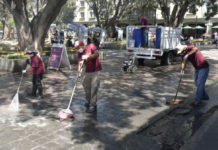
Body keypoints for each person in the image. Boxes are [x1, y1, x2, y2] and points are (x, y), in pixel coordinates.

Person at [176, 41, 209, 107]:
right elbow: (183, 62)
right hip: (197, 68)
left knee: (200, 83)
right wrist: (182, 70)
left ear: (184, 49)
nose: (181, 54)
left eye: (181, 52)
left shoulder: (189, 48)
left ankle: (197, 101)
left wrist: (187, 55)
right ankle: (205, 96)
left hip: (204, 67)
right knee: (197, 83)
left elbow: (195, 49)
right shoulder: (183, 54)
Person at [73, 40, 102, 113]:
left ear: (82, 45)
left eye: (78, 47)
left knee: (94, 87)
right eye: (76, 48)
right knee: (86, 88)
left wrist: (88, 56)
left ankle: (93, 104)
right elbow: (80, 63)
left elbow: (97, 54)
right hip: (87, 71)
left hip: (95, 70)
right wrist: (78, 73)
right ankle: (88, 101)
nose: (77, 49)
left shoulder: (91, 46)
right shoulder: (80, 52)